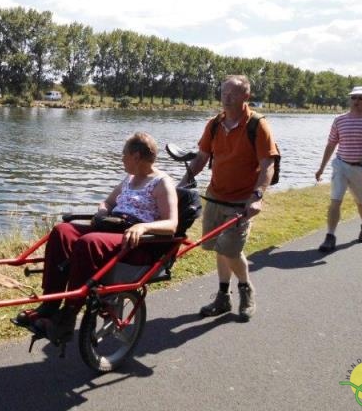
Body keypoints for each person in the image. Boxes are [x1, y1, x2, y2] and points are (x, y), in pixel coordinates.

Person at [15, 132, 178, 343]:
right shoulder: (129, 179)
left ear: (136, 156)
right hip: (111, 228)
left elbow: (172, 224)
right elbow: (108, 203)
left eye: (124, 154)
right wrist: (102, 210)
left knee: (87, 243)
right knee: (62, 231)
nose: (121, 158)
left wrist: (143, 227)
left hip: (136, 241)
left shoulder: (162, 183)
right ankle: (50, 305)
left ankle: (68, 315)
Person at [178, 75, 278, 322]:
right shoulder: (214, 124)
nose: (226, 98)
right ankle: (223, 297)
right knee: (217, 248)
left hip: (241, 202)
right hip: (215, 196)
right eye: (223, 93)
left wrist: (257, 197)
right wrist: (182, 182)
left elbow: (267, 165)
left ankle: (245, 288)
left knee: (231, 249)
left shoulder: (257, 125)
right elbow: (201, 158)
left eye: (232, 94)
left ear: (246, 96)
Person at [315, 86, 362, 252]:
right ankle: (330, 236)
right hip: (341, 165)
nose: (356, 101)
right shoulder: (339, 120)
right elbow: (331, 144)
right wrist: (321, 168)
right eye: (353, 97)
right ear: (350, 99)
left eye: (360, 98)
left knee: (361, 202)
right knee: (335, 201)